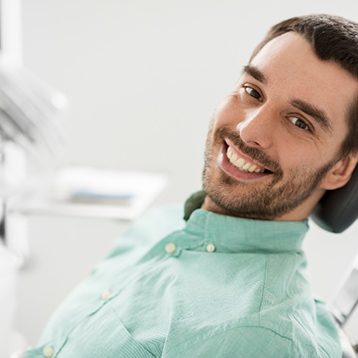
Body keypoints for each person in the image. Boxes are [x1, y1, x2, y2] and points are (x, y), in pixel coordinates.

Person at [24, 14, 358, 357]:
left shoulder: (264, 337)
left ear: (341, 168)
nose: (248, 131)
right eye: (252, 91)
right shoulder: (159, 225)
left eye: (299, 122)